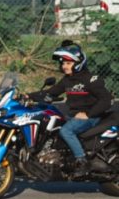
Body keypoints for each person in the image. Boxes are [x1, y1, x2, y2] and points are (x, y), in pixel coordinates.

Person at [33, 41, 112, 178]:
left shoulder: (91, 79)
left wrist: (89, 114)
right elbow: (50, 93)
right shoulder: (67, 80)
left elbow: (107, 100)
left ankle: (82, 161)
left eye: (68, 63)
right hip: (74, 116)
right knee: (55, 128)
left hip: (92, 117)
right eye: (63, 63)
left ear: (78, 63)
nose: (64, 66)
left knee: (66, 131)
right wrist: (25, 96)